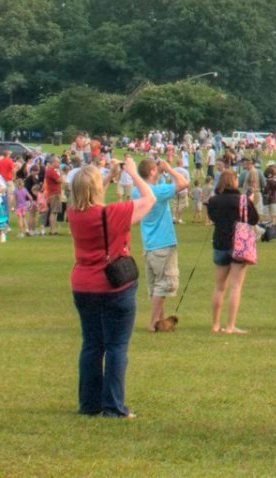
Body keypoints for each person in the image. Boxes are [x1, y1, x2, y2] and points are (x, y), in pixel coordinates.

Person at [68, 157, 155, 416]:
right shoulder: (112, 214)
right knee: (117, 347)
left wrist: (108, 177)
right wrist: (133, 173)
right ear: (96, 189)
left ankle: (89, 403)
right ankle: (113, 406)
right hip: (112, 285)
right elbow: (148, 199)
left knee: (92, 345)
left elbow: (90, 197)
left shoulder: (74, 213)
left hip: (83, 284)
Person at [136, 155, 188, 333]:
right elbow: (183, 183)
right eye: (155, 169)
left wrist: (160, 171)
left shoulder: (137, 191)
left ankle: (160, 321)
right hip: (163, 242)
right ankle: (152, 323)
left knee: (156, 284)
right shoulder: (156, 192)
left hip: (149, 244)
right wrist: (169, 169)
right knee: (165, 283)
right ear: (151, 172)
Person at [205, 169, 260, 334]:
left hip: (220, 242)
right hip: (239, 244)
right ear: (234, 181)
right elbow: (253, 219)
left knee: (219, 286)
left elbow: (213, 218)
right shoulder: (241, 200)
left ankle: (215, 324)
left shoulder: (213, 200)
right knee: (235, 286)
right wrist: (249, 202)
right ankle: (230, 325)